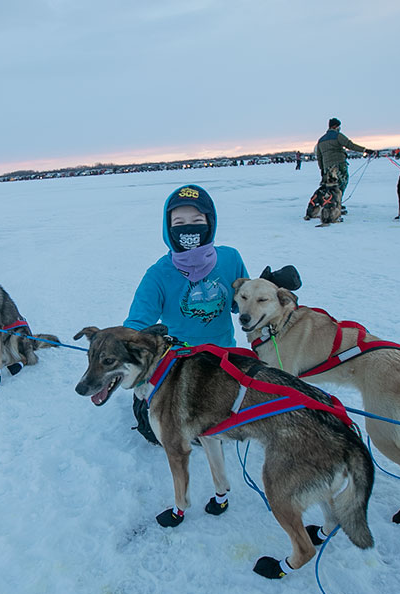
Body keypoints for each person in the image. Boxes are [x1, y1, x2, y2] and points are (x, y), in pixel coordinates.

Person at [123, 184, 300, 445]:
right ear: (168, 227)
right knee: (167, 429)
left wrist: (270, 286)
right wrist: (128, 346)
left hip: (225, 358)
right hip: (180, 364)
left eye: (197, 221)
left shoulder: (230, 258)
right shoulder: (158, 275)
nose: (189, 228)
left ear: (210, 222)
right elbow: (137, 324)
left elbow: (240, 302)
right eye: (179, 222)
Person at [315, 118, 372, 201]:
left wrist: (322, 169)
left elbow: (319, 156)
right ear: (335, 126)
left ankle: (329, 202)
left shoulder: (321, 140)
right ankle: (337, 203)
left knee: (330, 186)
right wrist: (365, 150)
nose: (339, 128)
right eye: (338, 126)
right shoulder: (338, 136)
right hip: (339, 165)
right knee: (341, 184)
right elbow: (350, 145)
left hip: (327, 167)